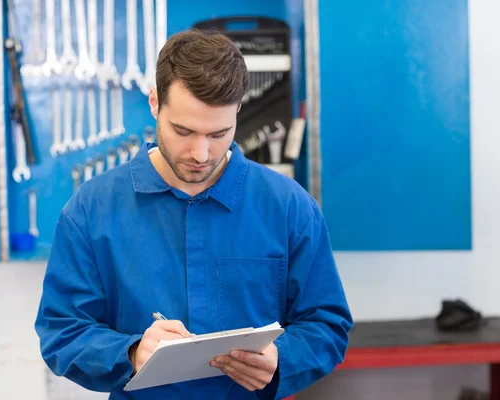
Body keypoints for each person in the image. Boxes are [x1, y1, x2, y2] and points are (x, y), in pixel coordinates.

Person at [35, 29, 353, 400]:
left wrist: (284, 357)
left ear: (238, 110)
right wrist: (133, 353)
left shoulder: (289, 207)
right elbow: (63, 332)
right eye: (183, 131)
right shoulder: (91, 210)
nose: (200, 154)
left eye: (218, 133)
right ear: (155, 103)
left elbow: (327, 325)